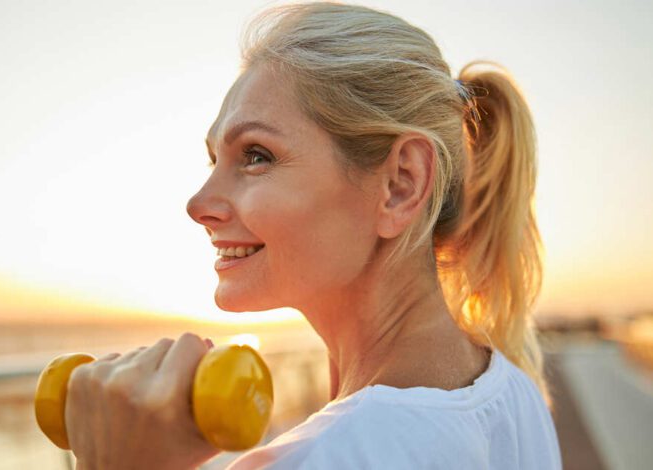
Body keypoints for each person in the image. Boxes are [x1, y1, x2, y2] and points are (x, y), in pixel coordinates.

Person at [64, 2, 562, 469]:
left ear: (400, 184)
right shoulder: (514, 394)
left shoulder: (322, 458)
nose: (198, 206)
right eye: (215, 159)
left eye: (256, 155)